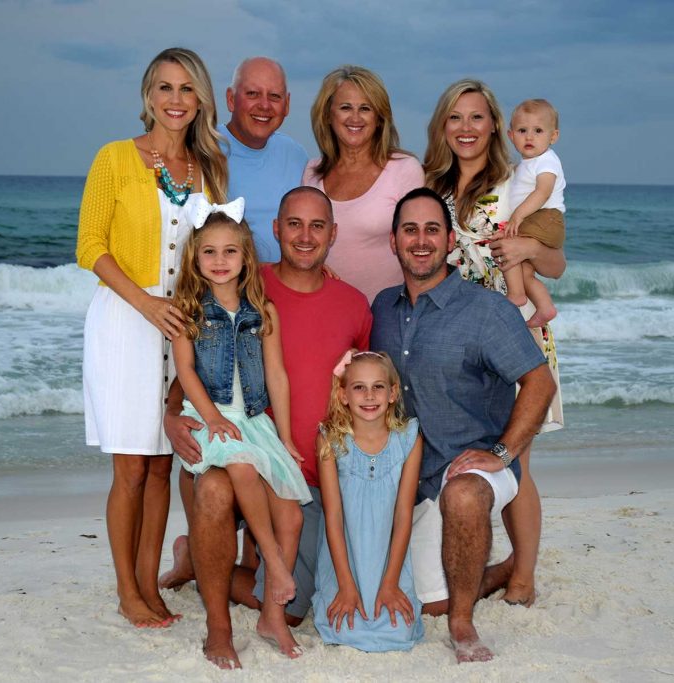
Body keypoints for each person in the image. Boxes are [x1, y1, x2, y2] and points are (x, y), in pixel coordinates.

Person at [163, 186, 372, 669]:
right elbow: (186, 373)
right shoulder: (217, 294)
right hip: (223, 436)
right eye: (293, 224)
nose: (305, 236)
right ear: (275, 231)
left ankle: (205, 564)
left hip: (283, 450)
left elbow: (356, 382)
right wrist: (175, 417)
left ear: (333, 235)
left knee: (296, 578)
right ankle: (219, 625)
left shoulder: (281, 305)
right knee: (222, 481)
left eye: (317, 226)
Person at [370, 187, 556, 663]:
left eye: (432, 230)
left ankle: (463, 623)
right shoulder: (381, 309)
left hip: (474, 466)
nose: (420, 240)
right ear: (393, 241)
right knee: (425, 601)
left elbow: (539, 382)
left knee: (465, 494)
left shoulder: (486, 310)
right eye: (409, 230)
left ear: (449, 240)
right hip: (413, 472)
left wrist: (503, 453)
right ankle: (494, 572)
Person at [75, 47, 226, 628]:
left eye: (187, 89)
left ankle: (148, 582)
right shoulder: (115, 158)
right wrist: (145, 305)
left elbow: (216, 252)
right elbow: (90, 245)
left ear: (200, 99)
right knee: (131, 469)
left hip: (182, 329)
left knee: (165, 465)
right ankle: (126, 590)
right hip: (124, 324)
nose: (175, 99)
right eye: (164, 87)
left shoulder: (207, 168)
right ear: (148, 96)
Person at [423, 79, 565, 608]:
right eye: (455, 117)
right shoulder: (430, 184)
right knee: (469, 452)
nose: (466, 128)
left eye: (477, 117)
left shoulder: (517, 181)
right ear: (443, 125)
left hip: (511, 330)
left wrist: (527, 243)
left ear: (494, 126)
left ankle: (522, 572)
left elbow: (555, 263)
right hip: (452, 338)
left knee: (516, 458)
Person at [171, 197, 310, 652]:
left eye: (230, 251)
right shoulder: (188, 310)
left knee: (290, 511)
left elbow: (277, 376)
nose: (219, 261)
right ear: (195, 257)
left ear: (246, 256)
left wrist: (285, 437)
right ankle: (270, 557)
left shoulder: (262, 311)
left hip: (253, 421)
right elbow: (186, 372)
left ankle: (273, 618)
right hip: (212, 418)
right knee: (243, 467)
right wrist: (210, 417)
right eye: (209, 252)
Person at [313, 350, 424, 652]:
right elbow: (333, 516)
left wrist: (390, 583)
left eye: (378, 386)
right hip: (344, 559)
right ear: (343, 394)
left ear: (392, 393)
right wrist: (347, 585)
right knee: (341, 627)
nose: (369, 395)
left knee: (398, 632)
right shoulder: (330, 439)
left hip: (388, 559)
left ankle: (388, 586)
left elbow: (403, 515)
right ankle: (343, 588)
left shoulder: (409, 439)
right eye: (359, 387)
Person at [302, 65, 424, 303]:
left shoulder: (405, 169)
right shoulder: (312, 174)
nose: (355, 118)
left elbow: (421, 248)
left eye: (365, 108)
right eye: (346, 107)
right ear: (328, 114)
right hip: (328, 310)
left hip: (391, 314)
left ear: (379, 118)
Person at [219, 57, 308, 263]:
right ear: (231, 99)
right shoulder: (204, 151)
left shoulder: (295, 155)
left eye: (275, 96)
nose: (265, 105)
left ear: (287, 105)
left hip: (287, 288)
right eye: (253, 94)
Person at [502, 98, 567, 328]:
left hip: (545, 217)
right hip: (538, 219)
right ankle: (545, 306)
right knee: (525, 270)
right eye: (522, 130)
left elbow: (542, 191)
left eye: (538, 130)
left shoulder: (547, 161)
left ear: (553, 136)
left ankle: (516, 294)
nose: (529, 137)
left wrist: (517, 216)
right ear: (511, 136)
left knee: (505, 241)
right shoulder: (524, 165)